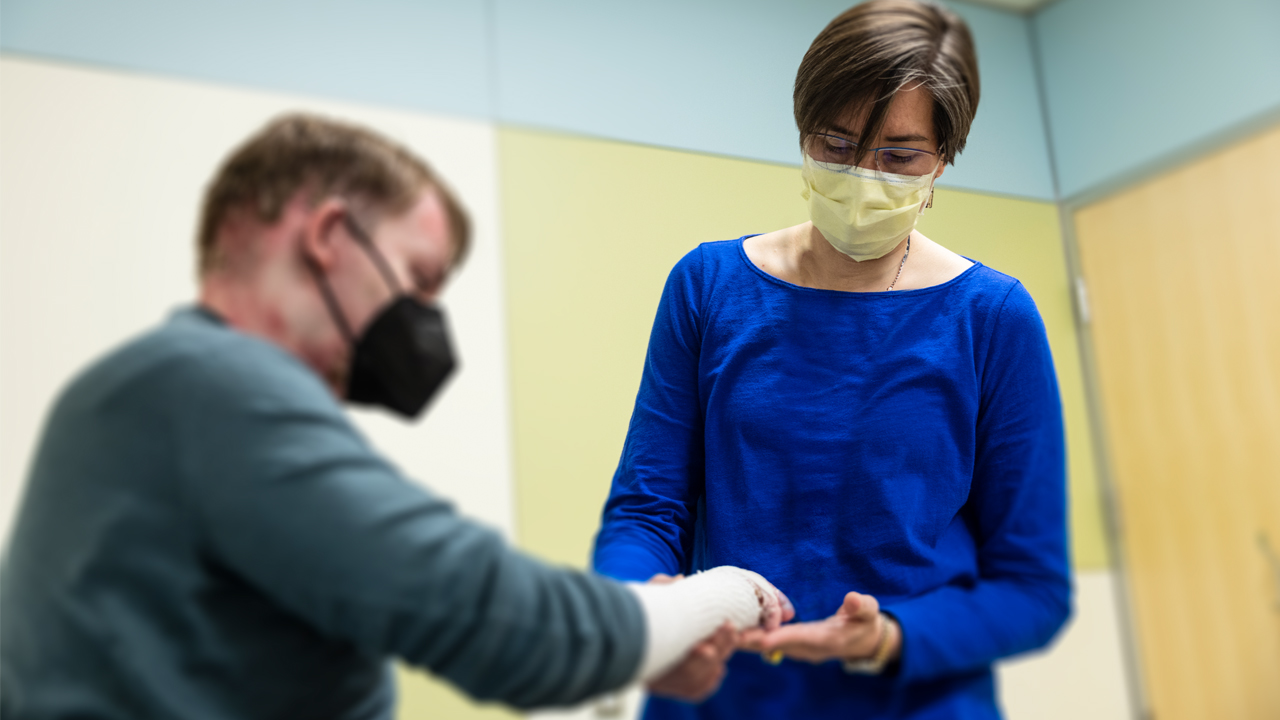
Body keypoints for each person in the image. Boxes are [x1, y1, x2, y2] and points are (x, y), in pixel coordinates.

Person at [0, 114, 794, 719]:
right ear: (327, 236)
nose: (422, 326)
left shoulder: (138, 394)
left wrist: (645, 645)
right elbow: (512, 628)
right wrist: (724, 593)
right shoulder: (213, 387)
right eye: (416, 283)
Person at [591, 1, 1071, 717]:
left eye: (899, 155)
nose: (862, 177)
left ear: (943, 159)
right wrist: (639, 606)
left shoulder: (992, 318)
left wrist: (886, 639)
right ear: (803, 134)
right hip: (723, 696)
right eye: (837, 144)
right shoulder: (709, 287)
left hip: (912, 699)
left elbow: (1032, 588)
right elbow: (647, 509)